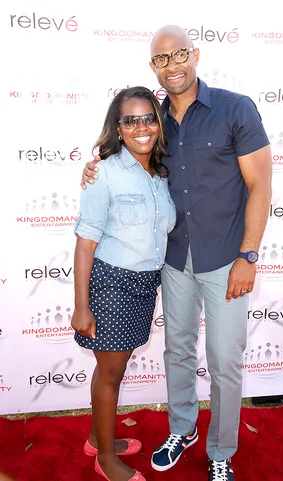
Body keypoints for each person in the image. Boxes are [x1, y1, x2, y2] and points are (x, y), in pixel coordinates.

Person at [81, 25, 272, 481]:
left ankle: (221, 450)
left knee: (225, 358)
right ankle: (182, 429)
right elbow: (128, 161)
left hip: (227, 258)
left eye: (180, 54)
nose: (173, 65)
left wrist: (248, 256)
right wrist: (95, 166)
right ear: (154, 67)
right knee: (178, 351)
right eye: (162, 59)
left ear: (195, 54)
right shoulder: (152, 119)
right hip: (173, 259)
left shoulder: (235, 108)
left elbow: (260, 184)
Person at [71, 86, 176, 481]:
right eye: (130, 120)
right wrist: (82, 306)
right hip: (112, 285)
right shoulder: (105, 173)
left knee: (110, 368)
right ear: (118, 127)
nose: (141, 127)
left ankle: (99, 440)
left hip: (145, 285)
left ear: (158, 122)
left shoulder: (161, 174)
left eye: (148, 117)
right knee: (111, 373)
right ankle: (106, 461)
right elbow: (85, 244)